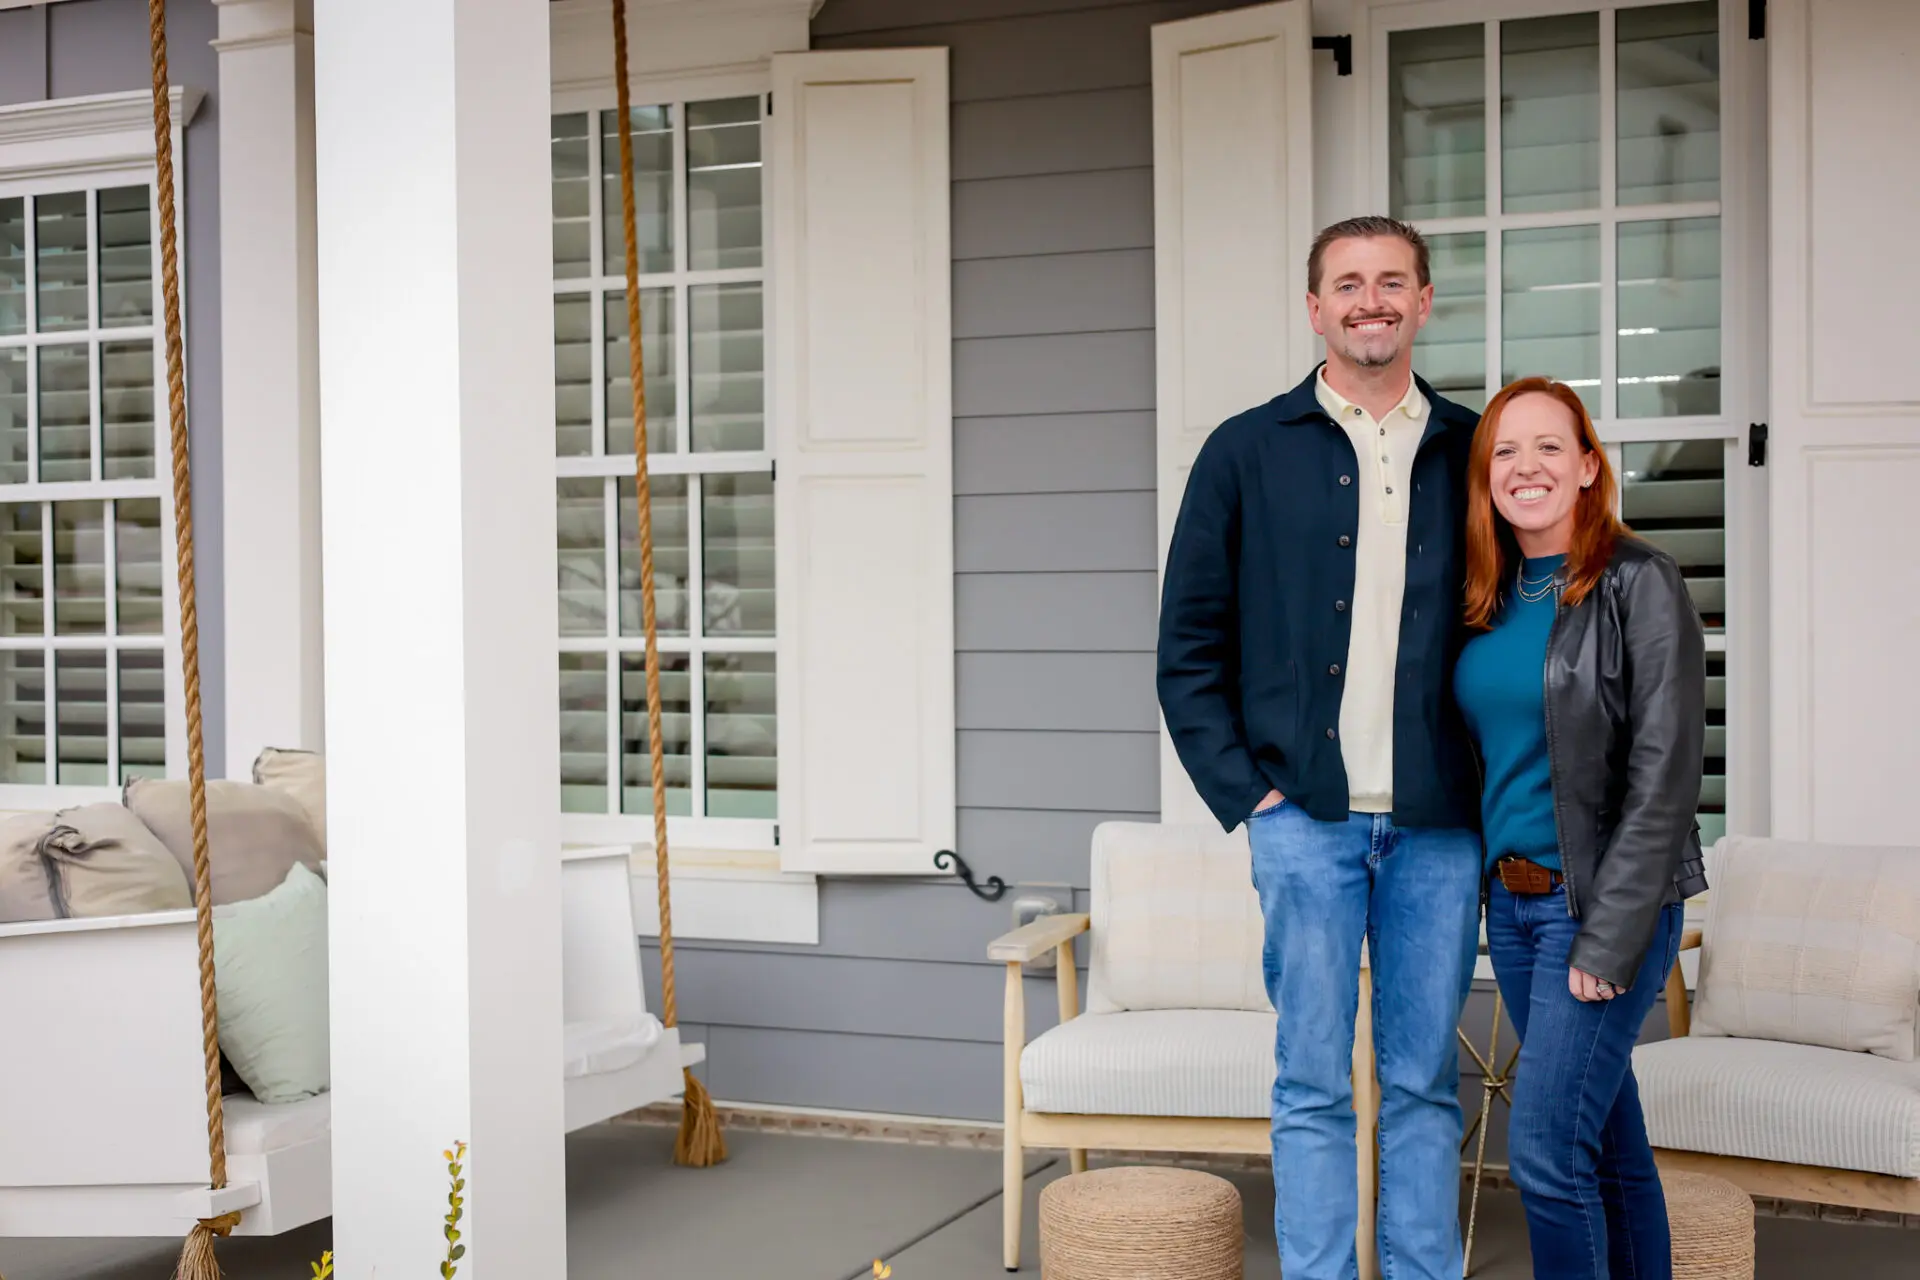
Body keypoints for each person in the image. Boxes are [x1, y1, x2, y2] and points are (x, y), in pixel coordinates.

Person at [1156, 215, 1485, 1280]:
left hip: (1442, 824)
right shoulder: (1244, 450)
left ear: (1423, 301)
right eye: (1347, 283)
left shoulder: (1476, 448)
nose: (1369, 301)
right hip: (1305, 820)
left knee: (1423, 1081)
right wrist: (1252, 795)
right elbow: (1187, 644)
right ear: (1314, 308)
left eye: (1391, 281)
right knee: (1311, 1081)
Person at [1452, 376, 1710, 1280]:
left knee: (1546, 1155)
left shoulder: (1639, 581)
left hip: (1598, 908)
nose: (1526, 467)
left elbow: (1666, 777)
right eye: (1505, 451)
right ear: (1486, 476)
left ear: (1590, 467)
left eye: (1550, 446)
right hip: (1516, 911)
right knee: (1607, 1145)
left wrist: (1609, 937)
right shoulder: (1484, 597)